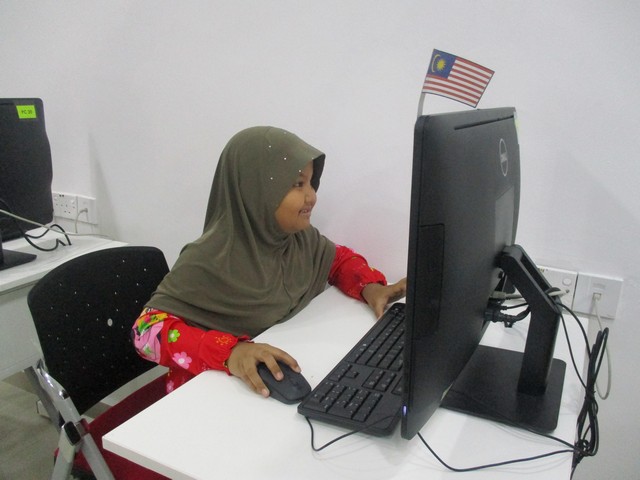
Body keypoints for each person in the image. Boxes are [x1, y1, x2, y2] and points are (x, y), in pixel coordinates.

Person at [132, 126, 406, 398]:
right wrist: (232, 353)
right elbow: (145, 332)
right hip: (207, 398)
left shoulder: (297, 240)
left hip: (271, 387)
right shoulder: (208, 258)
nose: (311, 196)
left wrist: (370, 288)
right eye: (298, 184)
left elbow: (336, 259)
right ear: (257, 191)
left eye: (311, 183)